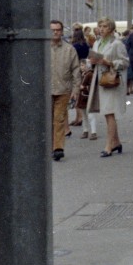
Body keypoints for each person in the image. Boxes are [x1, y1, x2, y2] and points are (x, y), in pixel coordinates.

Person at [88, 16, 129, 157]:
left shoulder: (117, 43)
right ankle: (116, 142)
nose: (101, 29)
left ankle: (108, 146)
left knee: (109, 112)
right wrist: (90, 62)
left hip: (111, 81)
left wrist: (109, 62)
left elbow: (124, 62)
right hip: (100, 80)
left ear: (111, 28)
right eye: (100, 26)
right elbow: (94, 60)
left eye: (104, 26)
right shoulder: (97, 43)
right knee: (107, 112)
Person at [50, 20, 81, 162]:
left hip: (63, 89)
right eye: (53, 30)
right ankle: (49, 146)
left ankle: (58, 148)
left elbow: (76, 70)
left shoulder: (69, 49)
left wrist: (76, 89)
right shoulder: (43, 48)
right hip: (46, 91)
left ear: (62, 31)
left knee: (59, 119)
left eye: (58, 30)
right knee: (47, 120)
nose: (55, 32)